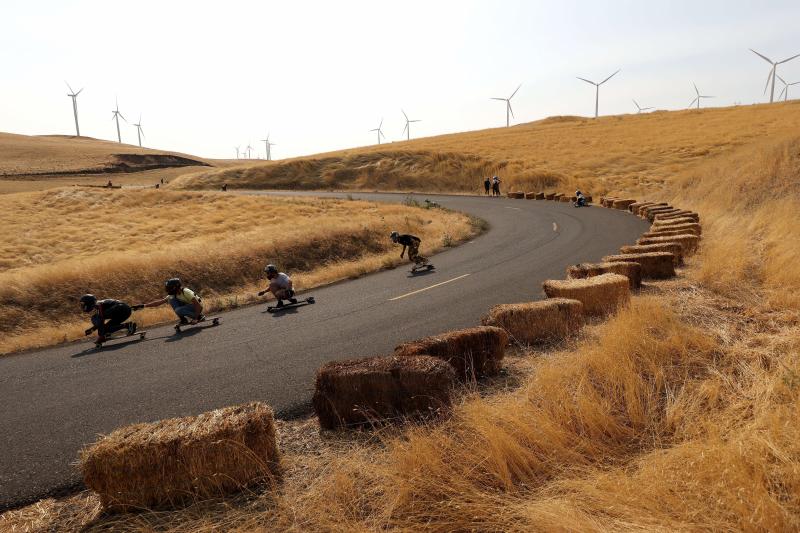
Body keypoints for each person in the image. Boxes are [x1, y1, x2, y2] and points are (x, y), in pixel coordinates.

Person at [136, 278, 204, 324]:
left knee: (178, 310)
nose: (168, 290)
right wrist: (143, 306)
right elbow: (159, 302)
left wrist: (195, 318)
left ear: (176, 287)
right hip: (189, 306)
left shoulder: (186, 292)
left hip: (197, 308)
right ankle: (183, 320)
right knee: (172, 300)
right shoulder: (173, 295)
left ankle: (199, 316)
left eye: (169, 288)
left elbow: (199, 305)